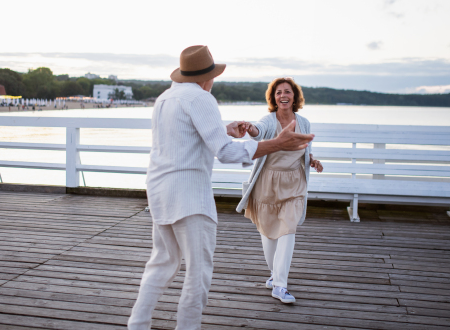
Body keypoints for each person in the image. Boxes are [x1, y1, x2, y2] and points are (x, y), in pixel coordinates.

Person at [128, 47, 315, 330]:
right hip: (190, 197)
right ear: (207, 77)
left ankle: (137, 325)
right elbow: (226, 153)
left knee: (162, 263)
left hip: (158, 191)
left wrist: (222, 129)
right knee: (198, 272)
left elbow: (184, 137)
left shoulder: (165, 98)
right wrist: (278, 143)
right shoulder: (202, 98)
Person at [236, 77, 324, 304]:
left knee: (288, 230)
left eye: (287, 92)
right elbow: (259, 132)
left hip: (294, 183)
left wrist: (312, 160)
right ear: (273, 98)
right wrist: (250, 128)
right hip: (268, 182)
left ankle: (280, 286)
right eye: (278, 92)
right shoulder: (268, 120)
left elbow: (304, 150)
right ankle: (275, 274)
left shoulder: (304, 122)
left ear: (294, 96)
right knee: (268, 233)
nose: (283, 95)